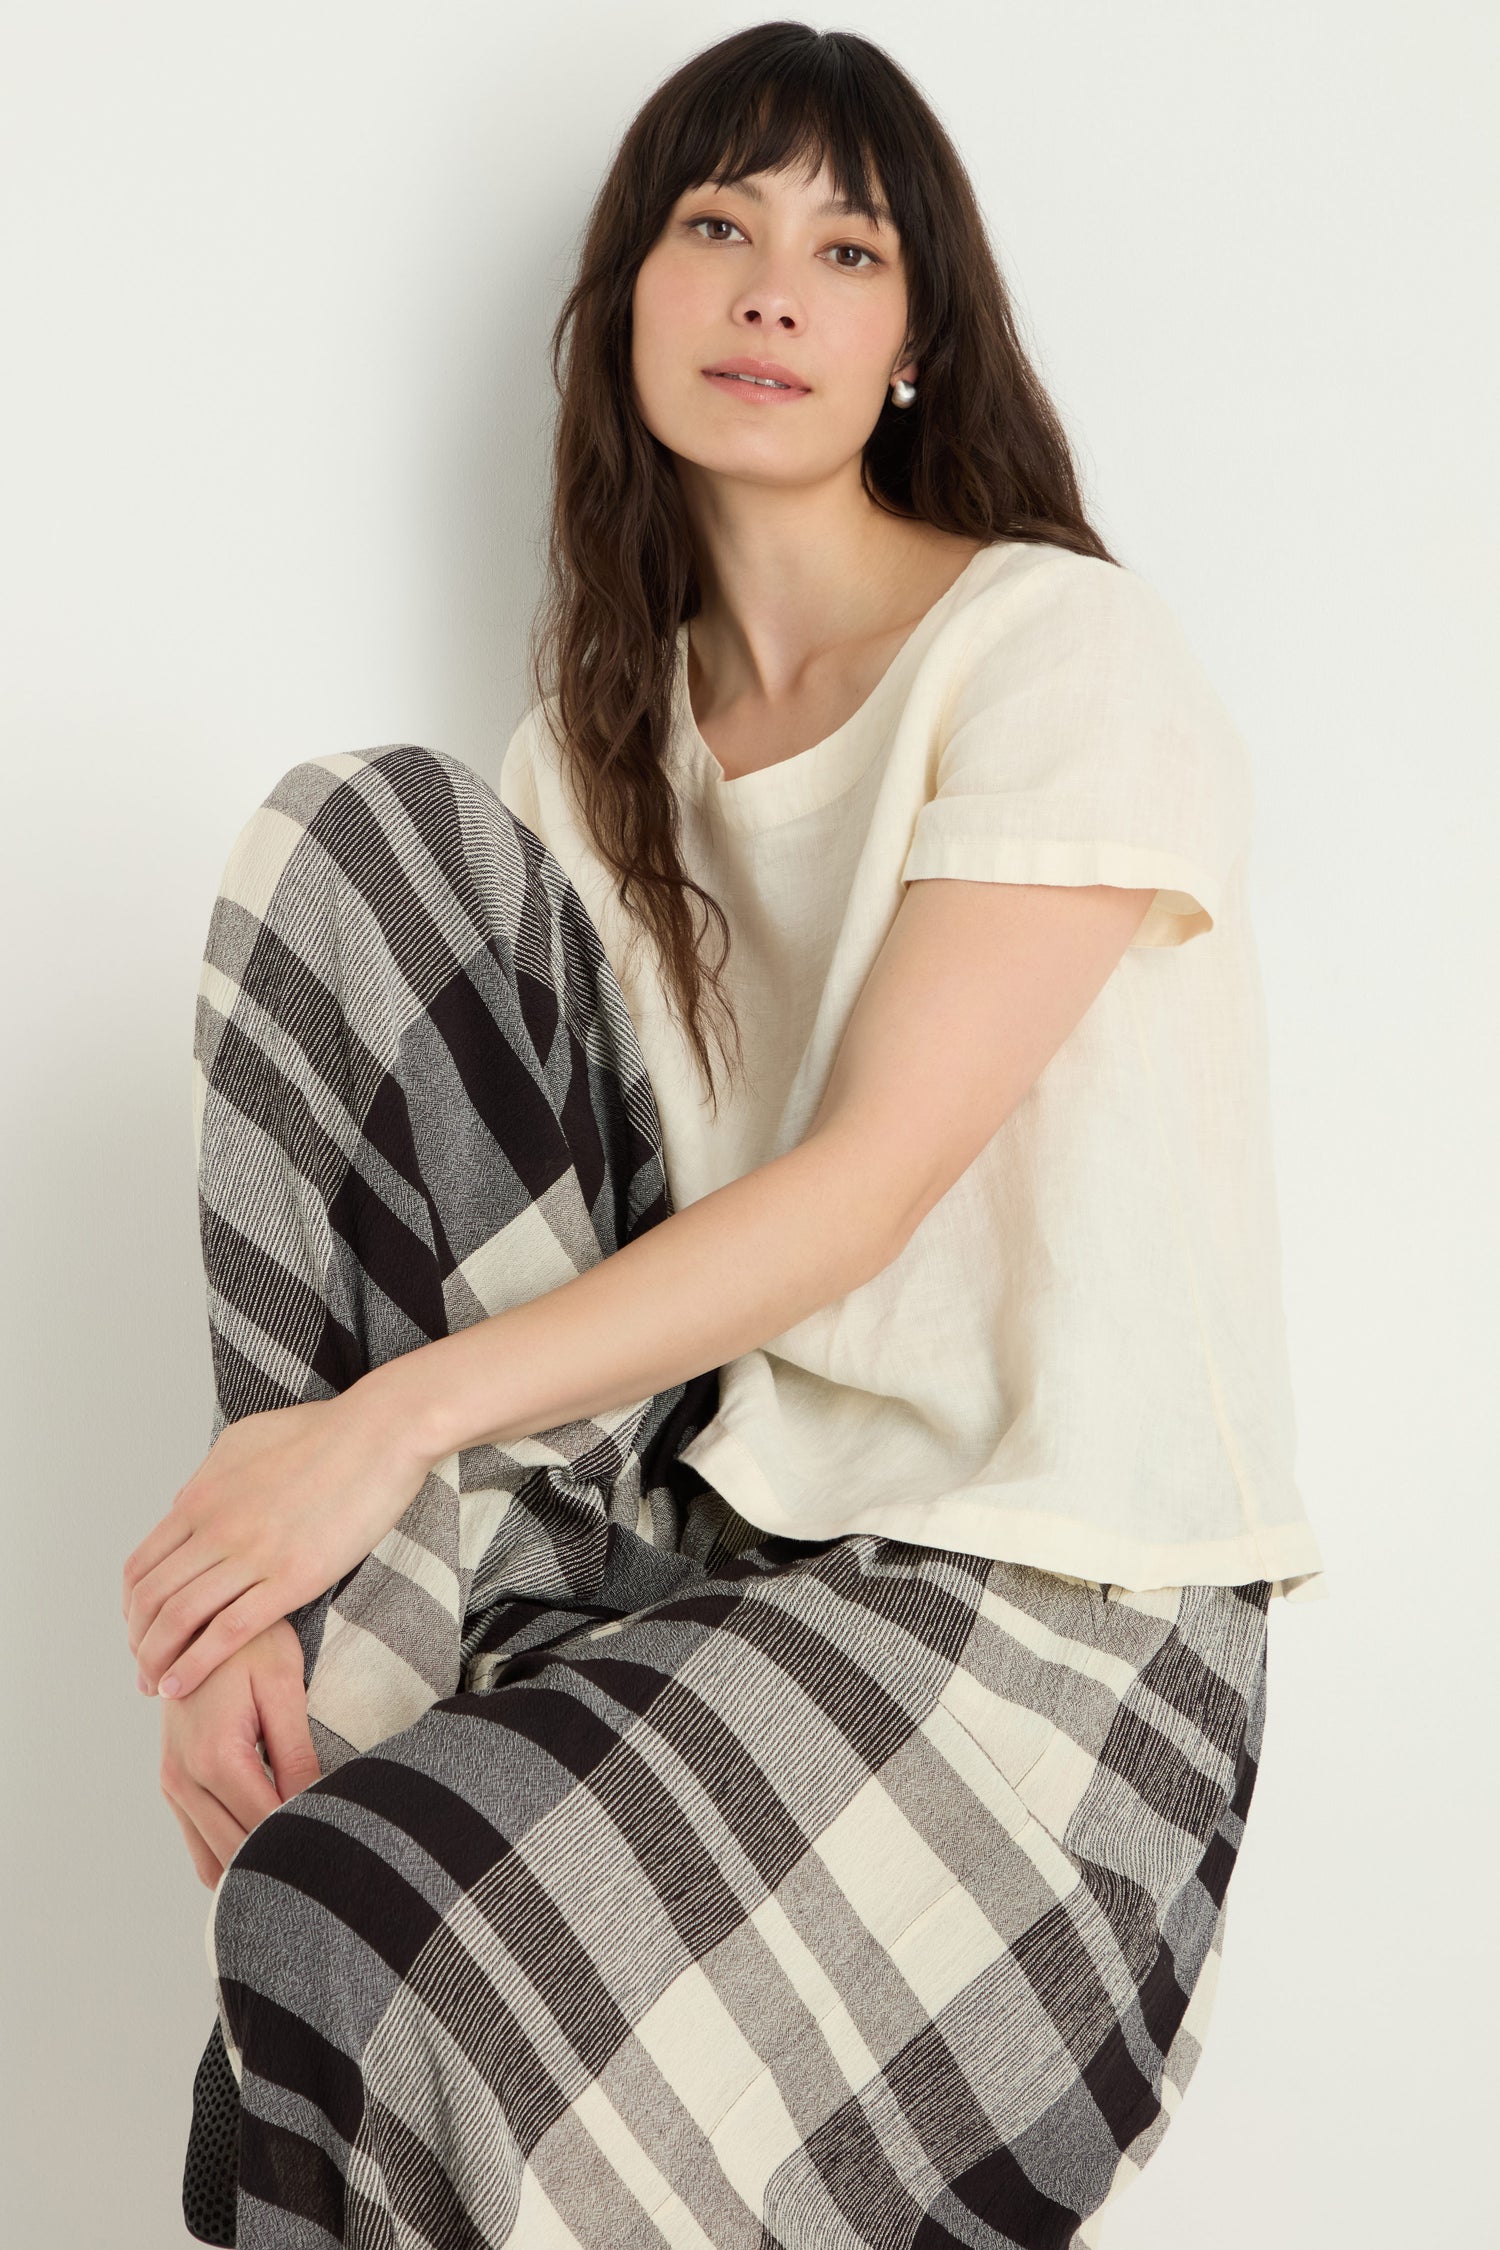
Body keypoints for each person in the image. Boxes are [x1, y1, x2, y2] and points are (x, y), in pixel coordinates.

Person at [122, 22, 1327, 2249]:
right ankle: (339, 1668)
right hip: (694, 1564)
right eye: (717, 224)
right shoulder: (581, 777)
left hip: (1054, 1638)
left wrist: (371, 1429)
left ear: (907, 345)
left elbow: (865, 1190)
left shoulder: (1062, 650)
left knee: (347, 1947)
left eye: (843, 246)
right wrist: (249, 1618)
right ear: (625, 307)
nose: (773, 284)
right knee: (360, 851)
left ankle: (360, 1732)